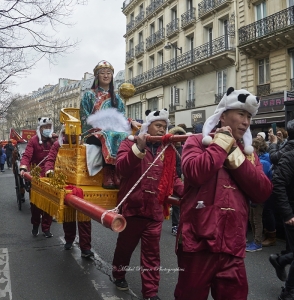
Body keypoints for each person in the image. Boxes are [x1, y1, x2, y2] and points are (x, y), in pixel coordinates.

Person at [174, 87, 273, 300]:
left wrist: (233, 152)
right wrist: (220, 144)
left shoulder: (248, 153)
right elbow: (194, 173)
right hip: (197, 243)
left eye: (248, 116)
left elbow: (262, 192)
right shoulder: (197, 141)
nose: (246, 121)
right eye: (241, 114)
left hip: (233, 246)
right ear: (223, 115)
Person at [112, 109, 184, 300]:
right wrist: (139, 149)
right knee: (125, 248)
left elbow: (172, 178)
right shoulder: (129, 142)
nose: (162, 130)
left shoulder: (166, 149)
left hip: (154, 212)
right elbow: (121, 169)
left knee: (152, 256)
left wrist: (189, 193)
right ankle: (118, 274)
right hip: (131, 210)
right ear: (148, 126)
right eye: (158, 126)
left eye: (164, 126)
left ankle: (150, 293)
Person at [80, 60, 140, 189]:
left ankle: (117, 170)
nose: (106, 75)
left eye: (109, 73)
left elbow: (121, 116)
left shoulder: (116, 97)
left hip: (113, 131)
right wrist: (96, 126)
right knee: (108, 134)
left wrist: (129, 122)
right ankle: (108, 172)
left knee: (124, 135)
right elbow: (85, 117)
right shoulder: (89, 95)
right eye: (102, 73)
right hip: (93, 132)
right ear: (97, 76)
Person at [44, 125, 94, 258]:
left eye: (74, 134)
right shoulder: (57, 145)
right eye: (69, 134)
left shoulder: (83, 145)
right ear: (64, 134)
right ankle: (69, 239)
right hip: (65, 184)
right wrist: (50, 171)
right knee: (68, 215)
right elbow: (50, 159)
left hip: (82, 185)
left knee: (84, 217)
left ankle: (85, 247)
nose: (72, 136)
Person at [270, 117, 294, 300]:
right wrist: (288, 213)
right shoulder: (293, 154)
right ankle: (288, 292)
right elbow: (278, 183)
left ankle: (280, 260)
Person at [263, 118, 294, 247]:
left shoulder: (291, 146)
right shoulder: (293, 149)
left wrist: (274, 144)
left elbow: (274, 157)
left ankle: (284, 257)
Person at [20, 117, 54, 238]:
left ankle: (46, 228)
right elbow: (27, 155)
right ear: (40, 128)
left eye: (49, 127)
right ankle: (35, 224)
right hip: (36, 175)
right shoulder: (33, 141)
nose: (47, 129)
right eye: (45, 127)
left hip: (50, 175)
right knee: (36, 205)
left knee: (49, 203)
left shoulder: (53, 141)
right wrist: (23, 167)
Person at [246, 138, 272, 252]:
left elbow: (260, 180)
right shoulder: (258, 160)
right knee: (252, 218)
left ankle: (257, 242)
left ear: (256, 148)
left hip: (259, 195)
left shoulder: (263, 162)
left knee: (257, 219)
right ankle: (256, 241)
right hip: (253, 194)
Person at [168, 125, 186, 236]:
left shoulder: (185, 149)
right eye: (176, 135)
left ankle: (179, 225)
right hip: (170, 178)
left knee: (179, 203)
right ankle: (175, 225)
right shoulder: (169, 149)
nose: (178, 138)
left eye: (180, 136)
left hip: (181, 179)